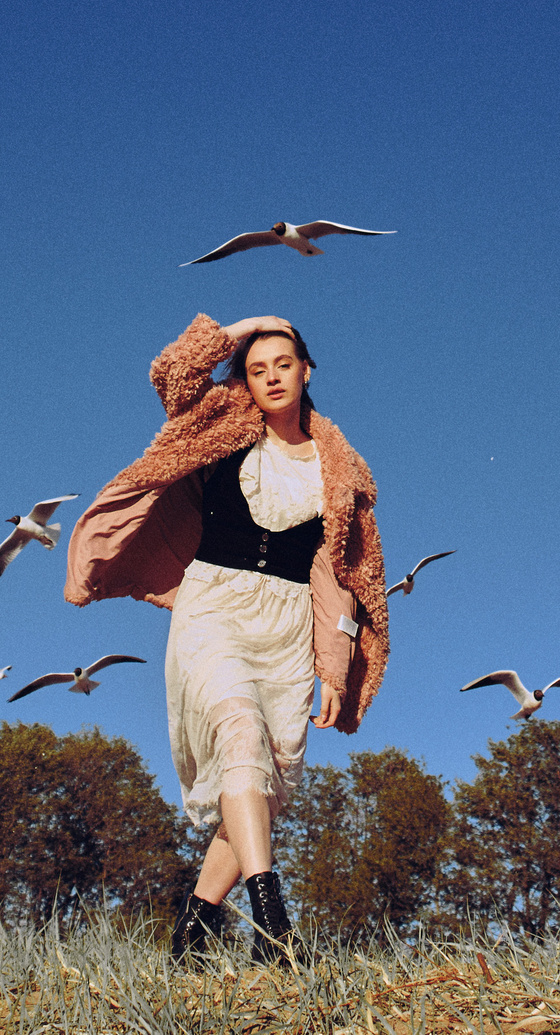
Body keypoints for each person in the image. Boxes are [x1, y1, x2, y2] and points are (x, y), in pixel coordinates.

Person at [65, 313, 390, 961]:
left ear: (307, 370)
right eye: (256, 367)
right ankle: (274, 925)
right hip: (214, 604)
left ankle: (193, 927)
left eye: (282, 363)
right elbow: (174, 371)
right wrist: (256, 324)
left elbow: (350, 574)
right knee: (239, 736)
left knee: (263, 784)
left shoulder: (341, 468)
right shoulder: (219, 422)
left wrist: (337, 660)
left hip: (290, 624)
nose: (270, 377)